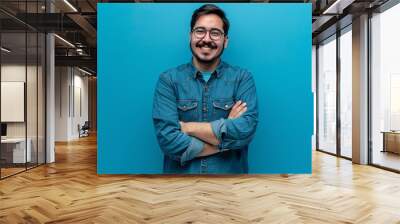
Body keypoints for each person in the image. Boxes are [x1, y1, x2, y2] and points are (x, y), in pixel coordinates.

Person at [152, 4, 258, 174]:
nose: (207, 39)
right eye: (200, 31)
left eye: (215, 33)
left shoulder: (242, 78)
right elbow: (168, 141)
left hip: (230, 187)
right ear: (190, 36)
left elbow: (245, 131)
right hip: (179, 187)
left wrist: (187, 127)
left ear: (225, 41)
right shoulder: (168, 80)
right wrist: (225, 139)